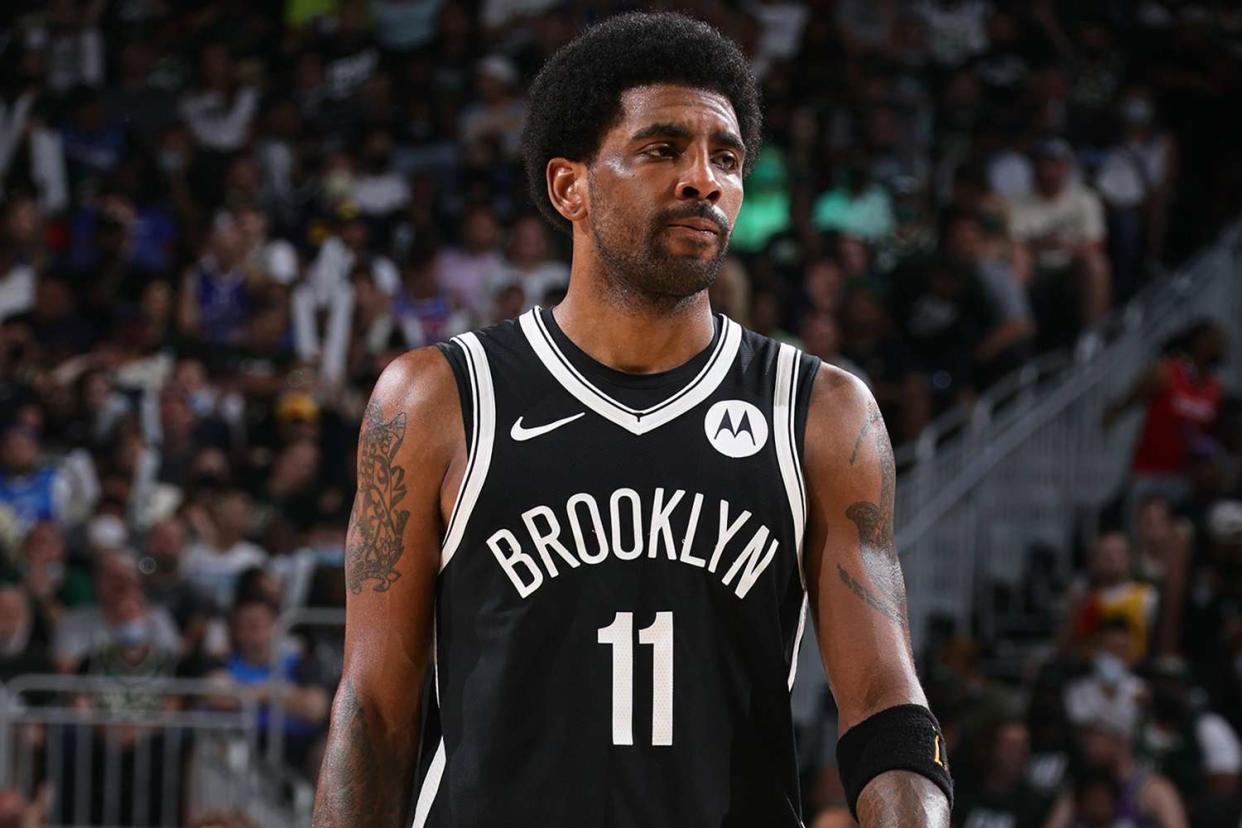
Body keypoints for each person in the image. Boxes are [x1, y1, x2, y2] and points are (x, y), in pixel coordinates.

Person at [312, 12, 951, 828]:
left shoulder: (820, 412)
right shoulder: (438, 398)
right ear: (568, 186)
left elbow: (885, 708)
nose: (703, 180)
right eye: (662, 149)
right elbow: (373, 710)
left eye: (726, 158)